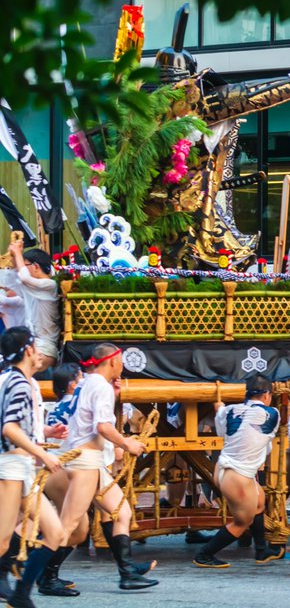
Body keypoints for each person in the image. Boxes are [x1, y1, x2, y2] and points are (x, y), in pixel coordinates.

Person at [55, 343, 157, 590]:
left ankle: (128, 572)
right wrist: (127, 444)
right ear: (112, 362)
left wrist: (114, 394)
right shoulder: (100, 387)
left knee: (122, 513)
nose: (122, 365)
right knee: (70, 525)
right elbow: (102, 426)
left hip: (88, 459)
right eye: (120, 360)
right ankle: (41, 575)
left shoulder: (87, 382)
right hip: (85, 461)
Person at [0, 327, 68, 608]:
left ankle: (21, 594)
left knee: (55, 533)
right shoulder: (18, 383)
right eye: (35, 346)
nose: (40, 351)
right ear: (28, 350)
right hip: (11, 467)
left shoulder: (20, 381)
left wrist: (43, 436)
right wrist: (44, 453)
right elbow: (9, 428)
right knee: (2, 541)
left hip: (22, 467)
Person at [193, 373, 285, 567]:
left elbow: (223, 432)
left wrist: (219, 409)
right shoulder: (273, 414)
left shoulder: (228, 410)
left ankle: (261, 551)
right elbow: (265, 439)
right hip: (238, 477)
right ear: (267, 395)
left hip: (224, 470)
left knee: (260, 500)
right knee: (242, 521)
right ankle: (204, 555)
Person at [9, 238, 59, 371]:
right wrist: (15, 255)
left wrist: (18, 253)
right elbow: (14, 279)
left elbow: (24, 277)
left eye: (25, 265)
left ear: (36, 266)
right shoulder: (31, 287)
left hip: (45, 348)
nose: (22, 269)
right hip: (30, 345)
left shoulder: (50, 285)